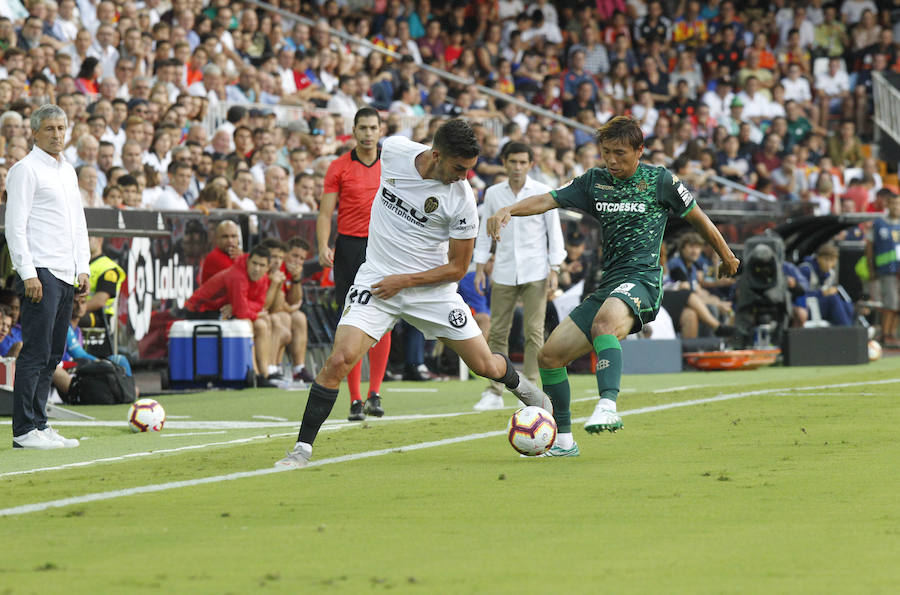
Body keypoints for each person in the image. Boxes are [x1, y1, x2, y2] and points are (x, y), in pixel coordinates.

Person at [276, 119, 553, 469]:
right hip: (376, 280)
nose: (464, 176)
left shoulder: (463, 199)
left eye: (469, 169)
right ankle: (301, 450)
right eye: (458, 167)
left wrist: (404, 281)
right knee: (339, 359)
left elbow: (456, 268)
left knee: (485, 365)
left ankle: (526, 391)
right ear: (436, 155)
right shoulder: (392, 151)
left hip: (431, 291)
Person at [486, 116, 740, 457]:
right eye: (606, 153)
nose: (612, 161)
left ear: (639, 151)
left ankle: (608, 404)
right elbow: (550, 199)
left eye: (620, 153)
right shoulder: (595, 182)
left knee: (604, 324)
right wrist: (509, 210)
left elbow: (698, 217)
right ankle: (563, 441)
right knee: (550, 356)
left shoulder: (659, 180)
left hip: (644, 281)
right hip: (610, 285)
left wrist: (726, 255)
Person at [5, 104, 90, 449]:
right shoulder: (25, 170)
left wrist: (82, 265)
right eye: (50, 129)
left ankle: (40, 423)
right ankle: (24, 429)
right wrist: (27, 273)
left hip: (66, 271)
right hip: (41, 271)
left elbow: (78, 223)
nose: (57, 135)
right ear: (35, 133)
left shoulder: (68, 170)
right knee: (36, 351)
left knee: (54, 352)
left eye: (61, 128)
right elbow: (15, 226)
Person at [471, 142, 566, 411]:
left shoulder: (541, 192)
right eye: (513, 161)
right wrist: (480, 266)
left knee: (534, 333)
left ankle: (532, 392)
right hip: (502, 269)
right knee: (498, 332)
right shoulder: (493, 193)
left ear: (531, 164)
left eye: (523, 162)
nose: (517, 167)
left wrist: (554, 268)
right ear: (504, 162)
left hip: (536, 270)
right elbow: (483, 232)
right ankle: (494, 391)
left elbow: (553, 231)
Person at [316, 107, 392, 421]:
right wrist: (323, 244)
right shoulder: (338, 166)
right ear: (354, 130)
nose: (368, 133)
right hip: (349, 247)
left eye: (373, 127)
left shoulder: (390, 164)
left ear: (380, 130)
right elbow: (325, 213)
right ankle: (355, 399)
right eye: (363, 128)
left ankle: (374, 393)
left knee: (384, 318)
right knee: (352, 320)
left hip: (383, 247)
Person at [184, 244, 278, 387]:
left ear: (267, 268)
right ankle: (252, 373)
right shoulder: (237, 276)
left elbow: (260, 303)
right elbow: (242, 313)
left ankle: (264, 373)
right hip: (200, 311)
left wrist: (239, 307)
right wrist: (242, 308)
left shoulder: (263, 278)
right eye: (254, 263)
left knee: (261, 325)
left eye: (261, 265)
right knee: (247, 323)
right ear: (248, 261)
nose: (257, 268)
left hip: (223, 310)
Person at [866, 191, 900, 346]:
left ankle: (893, 333)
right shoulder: (879, 223)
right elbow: (869, 246)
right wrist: (871, 268)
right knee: (890, 302)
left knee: (897, 304)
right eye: (894, 203)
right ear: (888, 204)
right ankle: (885, 335)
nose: (896, 207)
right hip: (887, 270)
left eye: (899, 204)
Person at [199, 220, 241, 284]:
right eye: (225, 237)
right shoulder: (214, 257)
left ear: (238, 238)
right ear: (217, 239)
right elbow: (240, 279)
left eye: (233, 236)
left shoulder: (237, 255)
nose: (230, 241)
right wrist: (243, 259)